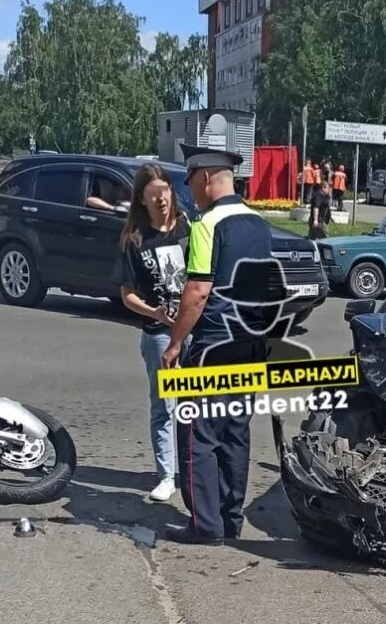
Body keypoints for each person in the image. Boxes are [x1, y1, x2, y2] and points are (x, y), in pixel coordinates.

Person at [161, 143, 273, 545]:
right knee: (236, 433)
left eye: (191, 181)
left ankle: (204, 526)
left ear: (206, 177)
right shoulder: (259, 224)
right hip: (250, 346)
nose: (189, 190)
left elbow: (197, 292)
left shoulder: (208, 225)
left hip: (212, 348)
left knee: (199, 435)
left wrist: (175, 344)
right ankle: (230, 518)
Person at [112, 164, 190, 503]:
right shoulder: (135, 241)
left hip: (195, 332)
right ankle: (166, 475)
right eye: (152, 195)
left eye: (164, 191)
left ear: (172, 192)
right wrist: (154, 312)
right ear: (142, 201)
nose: (161, 199)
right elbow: (127, 295)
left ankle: (192, 470)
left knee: (194, 405)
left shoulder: (188, 229)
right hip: (159, 333)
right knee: (165, 406)